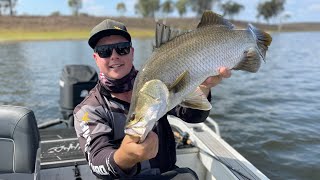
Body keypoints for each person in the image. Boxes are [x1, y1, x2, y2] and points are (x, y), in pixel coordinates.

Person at [73, 19, 231, 180]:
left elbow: (192, 115)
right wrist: (126, 156)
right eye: (104, 51)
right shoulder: (88, 109)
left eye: (122, 49)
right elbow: (97, 163)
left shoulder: (155, 81)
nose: (114, 56)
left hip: (168, 174)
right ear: (95, 58)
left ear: (132, 52)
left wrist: (204, 86)